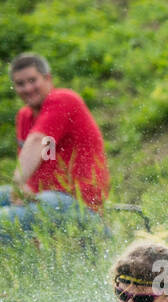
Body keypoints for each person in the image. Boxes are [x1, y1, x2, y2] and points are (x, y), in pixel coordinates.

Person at [2, 53, 109, 239]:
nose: (27, 88)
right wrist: (24, 188)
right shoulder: (25, 116)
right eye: (20, 84)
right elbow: (40, 158)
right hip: (46, 197)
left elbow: (37, 142)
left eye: (32, 80)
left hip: (78, 204)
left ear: (47, 78)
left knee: (6, 219)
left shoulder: (63, 100)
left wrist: (18, 187)